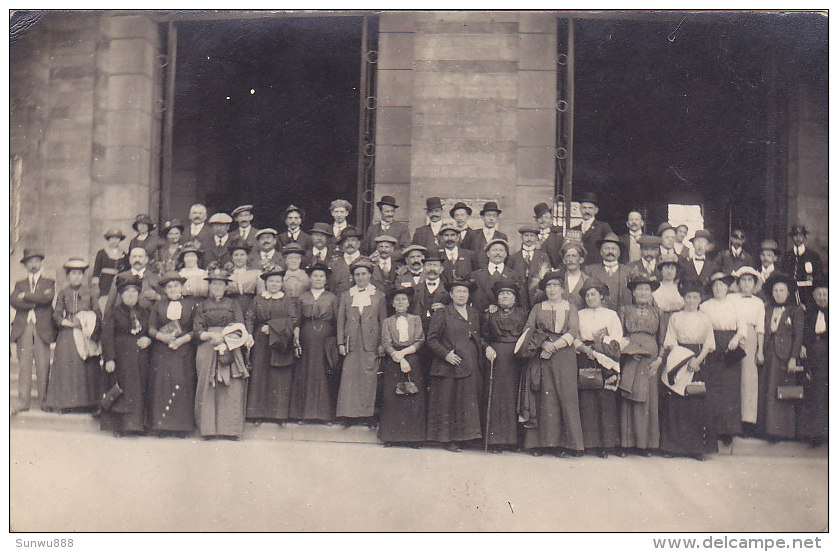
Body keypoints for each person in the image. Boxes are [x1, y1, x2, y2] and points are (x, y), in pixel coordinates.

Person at [519, 270, 584, 456]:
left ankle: (567, 444)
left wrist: (554, 347)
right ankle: (542, 444)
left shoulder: (571, 307)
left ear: (562, 289)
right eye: (548, 286)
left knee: (566, 397)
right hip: (542, 356)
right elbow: (529, 329)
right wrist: (543, 343)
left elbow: (573, 331)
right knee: (545, 399)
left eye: (556, 285)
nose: (552, 289)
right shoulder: (538, 308)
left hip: (564, 356)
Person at [658, 279, 718, 460]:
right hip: (679, 360)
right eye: (688, 297)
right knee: (676, 403)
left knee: (696, 403)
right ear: (683, 298)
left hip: (698, 362)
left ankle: (696, 448)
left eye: (695, 297)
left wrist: (697, 360)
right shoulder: (675, 317)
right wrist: (685, 360)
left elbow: (709, 343)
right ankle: (673, 448)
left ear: (700, 299)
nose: (692, 301)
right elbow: (670, 341)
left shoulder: (705, 318)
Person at [193, 264, 253, 439]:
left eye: (221, 284)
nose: (217, 287)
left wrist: (226, 340)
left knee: (231, 386)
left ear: (226, 286)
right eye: (214, 284)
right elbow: (197, 329)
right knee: (208, 385)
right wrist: (212, 336)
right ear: (209, 286)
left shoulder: (234, 304)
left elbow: (240, 327)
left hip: (231, 346)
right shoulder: (202, 305)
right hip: (208, 346)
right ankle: (208, 429)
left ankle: (230, 430)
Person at [426, 278, 486, 452]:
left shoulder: (474, 313)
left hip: (470, 364)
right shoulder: (442, 313)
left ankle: (465, 437)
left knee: (466, 402)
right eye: (458, 292)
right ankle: (448, 439)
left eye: (464, 292)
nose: (461, 295)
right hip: (449, 366)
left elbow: (478, 337)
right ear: (451, 295)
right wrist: (446, 355)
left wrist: (486, 348)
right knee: (449, 402)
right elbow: (431, 339)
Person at [574, 278, 623, 458]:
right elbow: (574, 336)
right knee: (587, 401)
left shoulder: (610, 315)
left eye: (593, 294)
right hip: (586, 356)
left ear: (601, 296)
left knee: (606, 400)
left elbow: (617, 336)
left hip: (606, 358)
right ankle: (588, 444)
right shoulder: (579, 314)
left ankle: (606, 444)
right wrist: (585, 348)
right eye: (587, 295)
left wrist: (602, 345)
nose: (590, 298)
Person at [44, 258, 102, 412]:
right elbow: (56, 315)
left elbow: (97, 312)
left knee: (87, 366)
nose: (76, 277)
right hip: (68, 332)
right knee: (66, 364)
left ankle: (87, 403)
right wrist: (69, 323)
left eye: (79, 274)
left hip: (85, 332)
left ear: (83, 276)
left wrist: (86, 322)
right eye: (73, 274)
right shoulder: (63, 293)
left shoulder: (90, 293)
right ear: (68, 276)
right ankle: (64, 402)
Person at [245, 266, 301, 423]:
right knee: (260, 375)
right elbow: (250, 317)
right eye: (271, 281)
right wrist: (249, 334)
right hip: (261, 341)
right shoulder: (258, 299)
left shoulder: (287, 300)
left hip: (281, 341)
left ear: (282, 283)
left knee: (279, 377)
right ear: (266, 283)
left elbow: (293, 319)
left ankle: (278, 415)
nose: (274, 284)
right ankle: (257, 414)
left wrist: (272, 327)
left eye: (277, 281)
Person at [618, 272, 665, 456]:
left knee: (647, 400)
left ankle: (644, 445)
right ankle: (626, 444)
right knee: (628, 398)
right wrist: (627, 352)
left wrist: (659, 359)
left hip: (650, 360)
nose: (643, 293)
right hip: (630, 357)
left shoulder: (658, 312)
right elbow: (619, 336)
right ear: (634, 292)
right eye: (640, 289)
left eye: (647, 289)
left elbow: (662, 340)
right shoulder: (624, 310)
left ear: (651, 292)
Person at [336, 257, 387, 426]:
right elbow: (341, 321)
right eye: (357, 274)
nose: (360, 277)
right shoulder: (346, 296)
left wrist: (381, 344)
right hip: (352, 341)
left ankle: (366, 415)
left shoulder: (379, 296)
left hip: (370, 342)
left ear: (370, 275)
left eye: (364, 274)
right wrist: (340, 343)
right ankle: (349, 415)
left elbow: (383, 321)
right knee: (349, 377)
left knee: (368, 377)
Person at [146, 272, 198, 436]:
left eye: (176, 285)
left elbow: (196, 329)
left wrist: (181, 340)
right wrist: (163, 337)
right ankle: (161, 426)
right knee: (161, 385)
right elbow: (151, 327)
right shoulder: (159, 305)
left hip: (183, 350)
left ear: (181, 287)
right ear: (165, 290)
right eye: (169, 287)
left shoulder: (191, 304)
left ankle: (181, 427)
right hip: (162, 351)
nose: (173, 289)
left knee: (182, 384)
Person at [100, 274, 152, 435]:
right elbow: (107, 336)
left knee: (139, 391)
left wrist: (147, 339)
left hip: (140, 359)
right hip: (121, 359)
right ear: (121, 294)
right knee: (122, 391)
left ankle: (136, 426)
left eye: (134, 292)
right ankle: (120, 427)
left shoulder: (144, 312)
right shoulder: (113, 312)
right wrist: (109, 359)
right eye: (127, 292)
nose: (131, 295)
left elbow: (149, 330)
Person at [481, 278, 528, 453]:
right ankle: (495, 441)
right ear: (497, 298)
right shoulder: (489, 314)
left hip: (517, 357)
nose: (505, 296)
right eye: (502, 294)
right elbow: (483, 337)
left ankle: (515, 440)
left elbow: (528, 333)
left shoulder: (523, 313)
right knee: (497, 398)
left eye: (509, 294)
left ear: (515, 298)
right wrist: (487, 348)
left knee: (515, 397)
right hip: (497, 357)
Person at [289, 262, 339, 422]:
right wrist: (296, 338)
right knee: (306, 372)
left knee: (323, 373)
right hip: (307, 337)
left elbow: (337, 320)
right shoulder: (303, 297)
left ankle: (323, 414)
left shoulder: (332, 297)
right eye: (315, 276)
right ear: (310, 278)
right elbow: (297, 320)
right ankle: (304, 413)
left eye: (321, 276)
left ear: (326, 279)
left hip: (326, 338)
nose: (318, 279)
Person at [699, 272, 745, 445]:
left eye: (722, 285)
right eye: (715, 285)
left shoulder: (735, 305)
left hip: (730, 347)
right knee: (713, 386)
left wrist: (735, 340)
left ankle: (729, 430)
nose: (718, 288)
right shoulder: (705, 306)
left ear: (727, 287)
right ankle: (714, 428)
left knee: (730, 388)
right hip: (712, 345)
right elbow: (702, 326)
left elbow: (742, 327)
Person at [378, 287, 426, 447]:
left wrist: (405, 355)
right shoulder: (387, 322)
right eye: (397, 300)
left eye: (403, 299)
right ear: (392, 303)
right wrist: (397, 357)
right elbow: (386, 342)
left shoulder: (415, 319)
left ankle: (413, 438)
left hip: (412, 359)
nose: (400, 302)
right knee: (392, 398)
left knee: (413, 398)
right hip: (394, 361)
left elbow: (420, 340)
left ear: (408, 303)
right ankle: (392, 437)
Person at [10, 248, 56, 413]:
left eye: (36, 260)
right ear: (26, 265)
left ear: (41, 262)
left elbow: (47, 298)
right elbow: (13, 301)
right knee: (24, 365)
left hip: (42, 327)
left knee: (43, 365)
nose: (33, 264)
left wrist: (26, 296)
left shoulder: (49, 282)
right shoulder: (19, 284)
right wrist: (37, 299)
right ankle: (23, 401)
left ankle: (44, 401)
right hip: (24, 327)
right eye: (30, 261)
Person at [761, 272, 804, 442]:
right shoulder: (768, 309)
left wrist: (793, 357)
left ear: (788, 292)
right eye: (775, 290)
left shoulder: (795, 311)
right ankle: (768, 429)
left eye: (782, 290)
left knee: (783, 391)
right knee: (768, 389)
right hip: (769, 352)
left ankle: (782, 431)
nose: (778, 294)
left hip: (785, 356)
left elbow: (798, 336)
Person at [729, 266, 765, 436]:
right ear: (738, 282)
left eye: (750, 280)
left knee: (749, 380)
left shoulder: (758, 303)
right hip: (733, 335)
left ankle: (748, 421)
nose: (746, 283)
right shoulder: (731, 299)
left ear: (754, 283)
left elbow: (761, 328)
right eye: (743, 280)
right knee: (733, 378)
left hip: (751, 339)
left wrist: (760, 351)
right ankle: (732, 421)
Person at [800, 276, 827, 446]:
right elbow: (804, 333)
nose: (822, 298)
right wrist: (803, 345)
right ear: (814, 297)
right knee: (815, 393)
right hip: (813, 353)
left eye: (825, 294)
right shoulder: (809, 312)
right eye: (819, 295)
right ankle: (815, 434)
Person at [470, 238, 525, 314]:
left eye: (501, 250)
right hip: (482, 317)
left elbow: (520, 300)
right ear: (488, 254)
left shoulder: (514, 275)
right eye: (494, 250)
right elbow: (475, 299)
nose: (498, 253)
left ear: (506, 254)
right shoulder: (476, 275)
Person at [583, 232, 632, 310]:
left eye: (614, 249)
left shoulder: (628, 272)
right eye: (607, 248)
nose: (610, 252)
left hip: (622, 314)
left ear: (619, 253)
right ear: (601, 252)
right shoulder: (589, 271)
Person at [104, 247, 162, 312]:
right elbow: (110, 303)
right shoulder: (120, 277)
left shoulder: (155, 278)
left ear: (146, 260)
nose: (137, 259)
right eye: (134, 257)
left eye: (140, 257)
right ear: (130, 260)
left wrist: (157, 296)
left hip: (147, 319)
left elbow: (166, 300)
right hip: (122, 318)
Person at [508, 224, 551, 309]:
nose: (529, 239)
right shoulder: (513, 258)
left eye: (532, 236)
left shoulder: (543, 256)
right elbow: (509, 277)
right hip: (518, 300)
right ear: (521, 238)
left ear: (536, 238)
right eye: (526, 236)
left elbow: (547, 277)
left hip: (537, 299)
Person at [781, 225, 824, 308]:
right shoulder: (787, 255)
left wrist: (813, 279)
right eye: (795, 235)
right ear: (792, 238)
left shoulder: (813, 256)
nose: (798, 238)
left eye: (801, 235)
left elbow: (819, 276)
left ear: (805, 237)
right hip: (790, 295)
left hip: (808, 295)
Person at [462, 201, 508, 269]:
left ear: (497, 218)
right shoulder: (472, 234)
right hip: (475, 273)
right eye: (488, 215)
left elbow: (506, 258)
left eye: (494, 215)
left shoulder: (502, 237)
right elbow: (464, 254)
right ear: (483, 217)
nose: (491, 218)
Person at [570, 191, 612, 264]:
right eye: (584, 208)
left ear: (596, 210)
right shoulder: (574, 229)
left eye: (590, 208)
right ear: (580, 209)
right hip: (579, 268)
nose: (587, 211)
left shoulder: (603, 227)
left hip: (596, 268)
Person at [92, 228, 128, 311]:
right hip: (104, 283)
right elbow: (96, 271)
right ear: (108, 239)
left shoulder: (124, 254)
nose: (114, 240)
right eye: (112, 238)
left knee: (117, 305)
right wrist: (96, 287)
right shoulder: (101, 253)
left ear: (120, 240)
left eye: (117, 238)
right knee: (104, 305)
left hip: (118, 283)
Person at [226, 237, 263, 315]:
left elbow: (261, 295)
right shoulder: (226, 275)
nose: (239, 258)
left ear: (247, 257)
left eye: (242, 255)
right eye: (236, 255)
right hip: (231, 308)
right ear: (232, 258)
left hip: (250, 308)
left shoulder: (256, 273)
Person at [652, 252, 685, 330]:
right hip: (661, 325)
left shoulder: (680, 289)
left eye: (672, 268)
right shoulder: (656, 289)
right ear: (661, 271)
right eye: (666, 268)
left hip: (679, 324)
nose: (669, 271)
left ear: (676, 271)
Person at [328, 226, 364, 296]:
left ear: (358, 243)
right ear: (342, 245)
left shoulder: (367, 262)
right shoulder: (333, 265)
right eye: (346, 240)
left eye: (353, 240)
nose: (350, 243)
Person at [559, 240, 589, 310]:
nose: (570, 259)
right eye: (567, 256)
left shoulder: (587, 281)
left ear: (581, 260)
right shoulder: (559, 280)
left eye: (574, 256)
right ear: (564, 260)